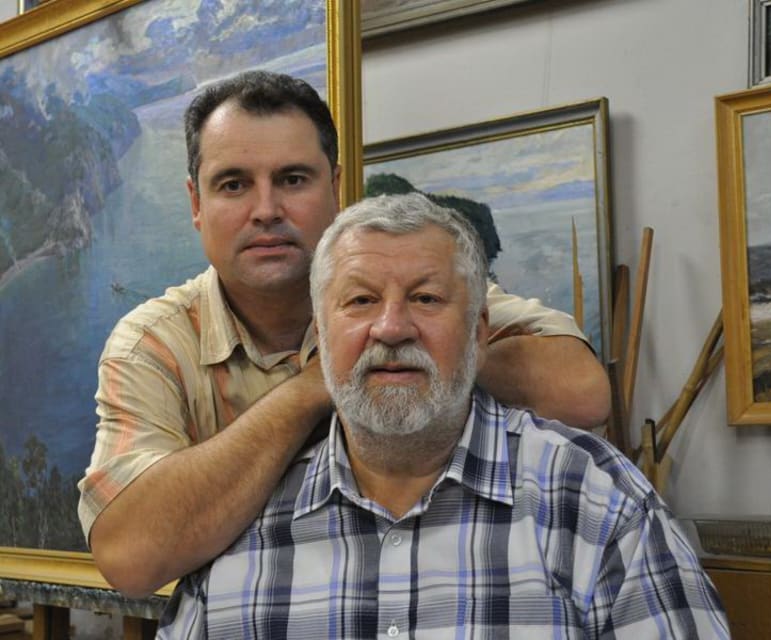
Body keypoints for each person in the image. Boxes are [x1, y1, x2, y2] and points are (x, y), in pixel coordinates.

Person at [78, 70, 611, 598]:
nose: (266, 211)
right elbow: (129, 559)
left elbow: (583, 393)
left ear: (335, 189)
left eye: (293, 180)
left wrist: (423, 350)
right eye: (233, 184)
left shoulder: (410, 289)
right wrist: (321, 382)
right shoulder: (152, 345)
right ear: (196, 203)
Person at [156, 192, 729, 639]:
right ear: (321, 338)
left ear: (479, 334)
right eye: (360, 301)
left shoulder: (596, 502)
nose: (391, 328)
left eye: (426, 298)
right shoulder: (244, 522)